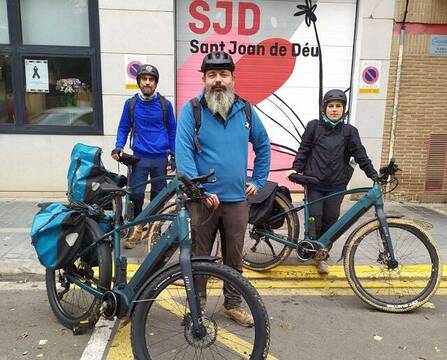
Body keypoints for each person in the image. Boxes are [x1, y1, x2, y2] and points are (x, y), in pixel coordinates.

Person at [176, 51, 271, 327]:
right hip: (202, 201)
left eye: (223, 75)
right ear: (204, 79)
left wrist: (259, 180)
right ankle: (197, 306)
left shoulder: (247, 110)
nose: (218, 80)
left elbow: (263, 146)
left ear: (232, 78)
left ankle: (232, 305)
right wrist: (199, 191)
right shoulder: (192, 110)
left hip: (237, 201)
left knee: (234, 257)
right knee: (200, 257)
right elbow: (183, 153)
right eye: (212, 75)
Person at [289, 89, 378, 274]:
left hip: (336, 185)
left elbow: (360, 155)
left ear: (344, 110)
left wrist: (373, 175)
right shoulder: (314, 127)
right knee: (315, 218)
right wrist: (296, 168)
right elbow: (304, 149)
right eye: (331, 106)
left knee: (331, 222)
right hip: (314, 182)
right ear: (324, 109)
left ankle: (321, 256)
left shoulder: (349, 132)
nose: (334, 110)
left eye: (338, 106)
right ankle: (310, 247)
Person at [112, 64, 176, 249]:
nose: (148, 82)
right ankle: (137, 229)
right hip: (139, 158)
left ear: (156, 83)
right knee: (136, 195)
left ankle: (153, 229)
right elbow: (124, 127)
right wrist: (118, 147)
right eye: (144, 79)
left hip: (160, 158)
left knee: (158, 196)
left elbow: (172, 130)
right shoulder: (131, 104)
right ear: (139, 82)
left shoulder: (165, 105)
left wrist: (174, 155)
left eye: (151, 79)